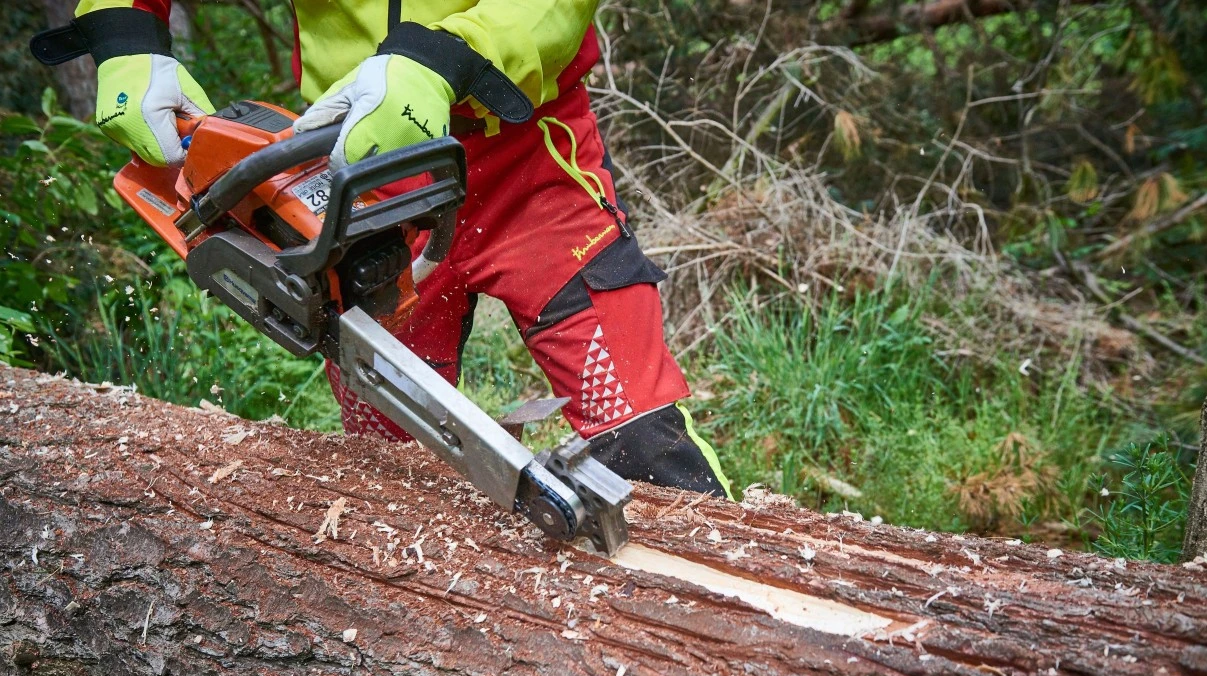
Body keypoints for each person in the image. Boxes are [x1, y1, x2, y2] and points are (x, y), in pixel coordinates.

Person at [33, 0, 731, 498]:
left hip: (526, 155)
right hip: (355, 166)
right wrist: (126, 30)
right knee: (390, 477)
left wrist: (440, 60)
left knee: (642, 437)